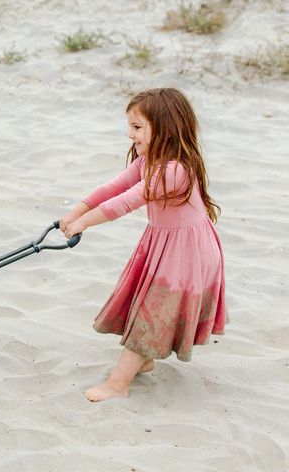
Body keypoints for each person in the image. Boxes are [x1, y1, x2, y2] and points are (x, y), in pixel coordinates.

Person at [60, 88, 226, 402]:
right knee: (146, 303)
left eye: (137, 128)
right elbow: (116, 186)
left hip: (186, 254)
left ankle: (117, 385)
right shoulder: (150, 158)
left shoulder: (175, 170)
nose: (130, 135)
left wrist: (84, 223)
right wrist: (78, 210)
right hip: (164, 245)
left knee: (154, 311)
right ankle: (144, 359)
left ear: (163, 127)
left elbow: (128, 201)